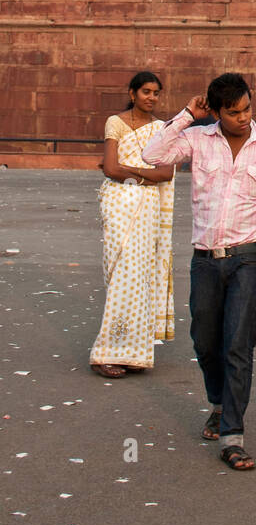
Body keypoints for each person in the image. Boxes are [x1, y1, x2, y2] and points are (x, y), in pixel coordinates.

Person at [141, 72, 256, 472]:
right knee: (205, 339)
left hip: (249, 257)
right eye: (233, 112)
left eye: (247, 109)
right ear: (217, 111)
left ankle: (233, 435)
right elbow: (151, 155)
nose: (243, 117)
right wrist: (187, 115)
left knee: (238, 345)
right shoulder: (197, 140)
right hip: (206, 258)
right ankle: (219, 401)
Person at [90, 71, 175, 378]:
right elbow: (109, 168)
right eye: (146, 92)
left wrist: (129, 174)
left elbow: (165, 173)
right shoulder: (115, 122)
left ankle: (132, 353)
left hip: (147, 208)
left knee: (140, 277)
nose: (151, 97)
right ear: (132, 93)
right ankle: (106, 353)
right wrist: (141, 173)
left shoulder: (162, 129)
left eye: (156, 92)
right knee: (122, 273)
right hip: (118, 205)